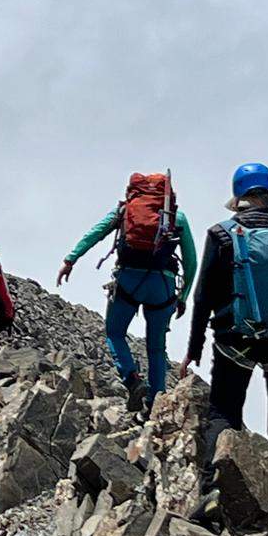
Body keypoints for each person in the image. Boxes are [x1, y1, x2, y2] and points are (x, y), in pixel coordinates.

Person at [177, 162, 268, 524]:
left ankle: (213, 491)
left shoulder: (221, 234)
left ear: (239, 197)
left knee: (223, 413)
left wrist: (194, 347)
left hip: (234, 342)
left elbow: (203, 297)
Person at [57, 173, 197, 413]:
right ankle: (156, 403)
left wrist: (70, 260)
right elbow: (192, 261)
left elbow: (96, 233)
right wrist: (183, 297)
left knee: (114, 332)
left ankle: (132, 379)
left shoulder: (123, 212)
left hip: (129, 280)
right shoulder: (177, 218)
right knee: (156, 348)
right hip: (163, 286)